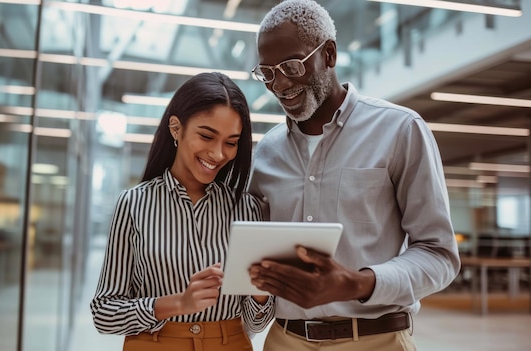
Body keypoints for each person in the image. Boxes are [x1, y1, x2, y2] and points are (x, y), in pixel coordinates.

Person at [246, 1, 461, 350]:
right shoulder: (268, 151)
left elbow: (439, 255)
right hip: (284, 339)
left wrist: (359, 283)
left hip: (377, 339)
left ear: (328, 54)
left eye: (291, 65)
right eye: (267, 72)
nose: (279, 83)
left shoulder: (400, 130)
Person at [90, 72, 275, 351]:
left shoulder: (247, 209)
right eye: (206, 136)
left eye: (231, 142)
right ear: (176, 128)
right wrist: (178, 303)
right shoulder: (133, 204)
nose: (218, 153)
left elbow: (255, 324)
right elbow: (104, 313)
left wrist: (262, 292)